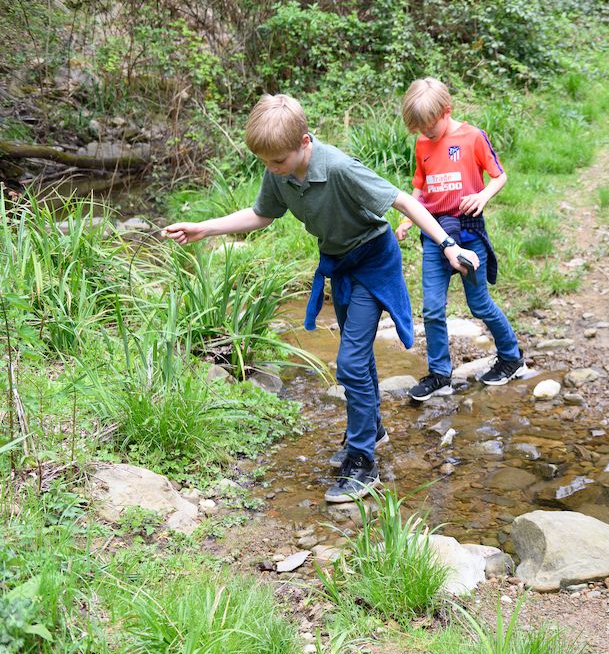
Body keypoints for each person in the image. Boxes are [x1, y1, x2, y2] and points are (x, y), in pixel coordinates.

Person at [163, 94, 478, 503]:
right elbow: (262, 214)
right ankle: (372, 430)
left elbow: (403, 200)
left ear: (305, 142)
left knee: (348, 362)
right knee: (358, 355)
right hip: (339, 262)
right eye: (266, 162)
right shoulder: (278, 170)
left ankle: (364, 462)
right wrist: (205, 228)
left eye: (277, 161)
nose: (270, 170)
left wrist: (449, 245)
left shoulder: (340, 169)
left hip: (373, 260)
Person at [395, 78, 527, 402]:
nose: (426, 135)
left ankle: (511, 358)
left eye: (430, 128)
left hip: (469, 232)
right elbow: (419, 185)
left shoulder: (472, 137)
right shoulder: (423, 145)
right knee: (432, 308)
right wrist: (407, 218)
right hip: (433, 233)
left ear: (447, 111)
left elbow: (500, 176)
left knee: (479, 304)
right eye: (420, 131)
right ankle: (440, 374)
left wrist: (482, 196)